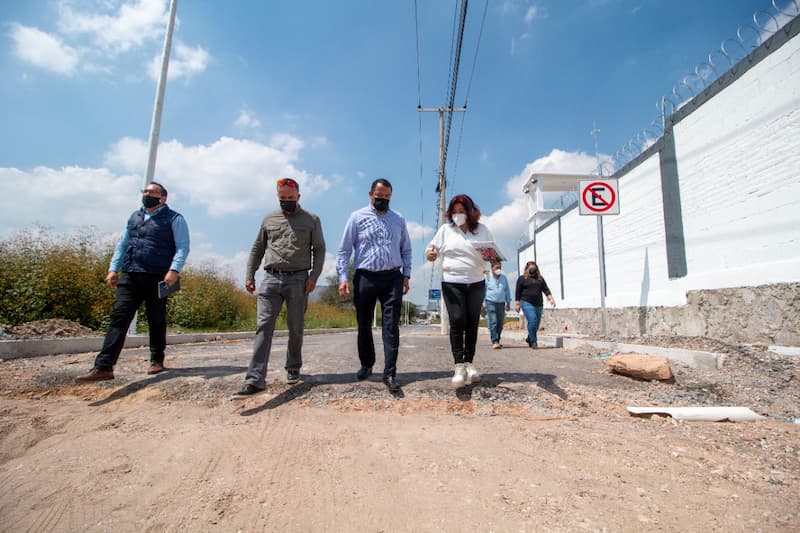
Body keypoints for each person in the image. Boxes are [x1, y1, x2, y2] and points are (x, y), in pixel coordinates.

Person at [76, 182, 190, 382]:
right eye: (144, 191)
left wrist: (174, 270)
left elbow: (182, 246)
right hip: (130, 274)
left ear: (163, 197)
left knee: (156, 319)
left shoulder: (174, 219)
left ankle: (157, 359)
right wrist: (113, 268)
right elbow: (123, 243)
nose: (146, 195)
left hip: (157, 276)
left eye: (151, 192)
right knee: (119, 318)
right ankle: (104, 366)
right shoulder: (135, 217)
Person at [232, 178, 325, 397]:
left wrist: (314, 277)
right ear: (278, 197)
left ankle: (293, 367)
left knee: (295, 327)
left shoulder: (311, 220)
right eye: (282, 198)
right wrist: (249, 274)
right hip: (271, 279)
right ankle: (255, 379)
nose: (286, 202)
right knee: (263, 327)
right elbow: (257, 248)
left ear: (298, 197)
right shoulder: (269, 219)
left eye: (290, 198)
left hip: (298, 280)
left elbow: (319, 250)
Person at [337, 178, 412, 392]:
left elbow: (406, 249)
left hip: (392, 278)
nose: (383, 200)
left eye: (387, 197)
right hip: (365, 277)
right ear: (371, 194)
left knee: (390, 326)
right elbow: (344, 250)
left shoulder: (398, 219)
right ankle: (367, 364)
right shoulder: (357, 217)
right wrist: (342, 278)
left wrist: (406, 274)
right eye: (379, 196)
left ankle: (390, 373)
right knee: (364, 323)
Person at [426, 194, 495, 388]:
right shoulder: (446, 230)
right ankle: (458, 366)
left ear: (471, 212)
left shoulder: (483, 230)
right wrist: (430, 254)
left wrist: (495, 262)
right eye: (454, 212)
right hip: (452, 281)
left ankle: (469, 364)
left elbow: (491, 254)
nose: (458, 216)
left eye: (462, 212)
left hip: (476, 281)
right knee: (457, 320)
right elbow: (431, 249)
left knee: (472, 322)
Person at [515, 261, 556, 349]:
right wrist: (517, 303)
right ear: (527, 269)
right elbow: (518, 291)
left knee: (536, 325)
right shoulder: (522, 278)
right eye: (531, 269)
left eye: (534, 269)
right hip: (526, 302)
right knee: (532, 320)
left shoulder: (540, 279)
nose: (532, 271)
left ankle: (530, 338)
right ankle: (534, 341)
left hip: (538, 304)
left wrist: (551, 299)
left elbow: (546, 289)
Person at [484, 258, 511, 349]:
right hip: (490, 301)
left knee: (500, 322)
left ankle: (497, 340)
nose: (498, 269)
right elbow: (483, 289)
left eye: (500, 267)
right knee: (493, 321)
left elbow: (507, 290)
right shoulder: (487, 275)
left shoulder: (504, 278)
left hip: (501, 302)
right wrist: (481, 303)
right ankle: (494, 340)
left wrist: (508, 302)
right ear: (492, 268)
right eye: (496, 267)